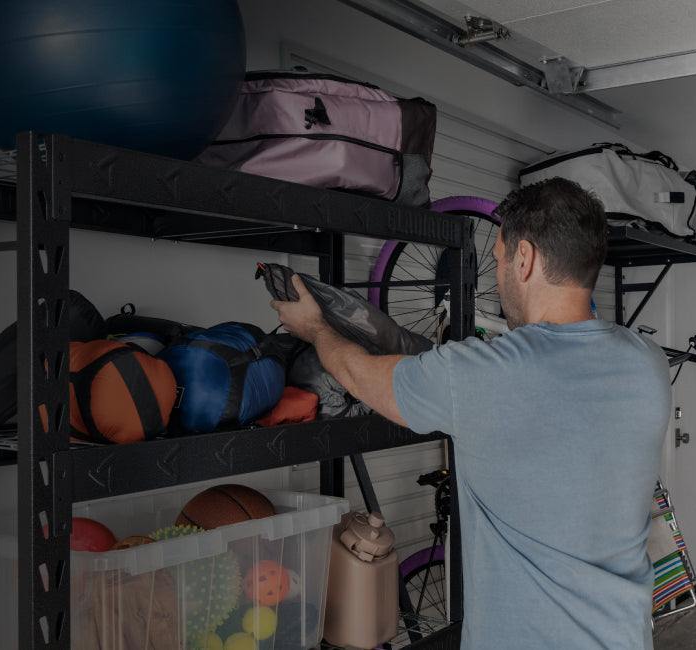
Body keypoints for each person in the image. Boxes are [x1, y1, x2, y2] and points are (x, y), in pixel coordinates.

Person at [271, 177, 670, 649]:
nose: (498, 276)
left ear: (524, 259)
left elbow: (362, 377)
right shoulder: (648, 362)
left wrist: (315, 327)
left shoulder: (483, 376)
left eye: (499, 260)